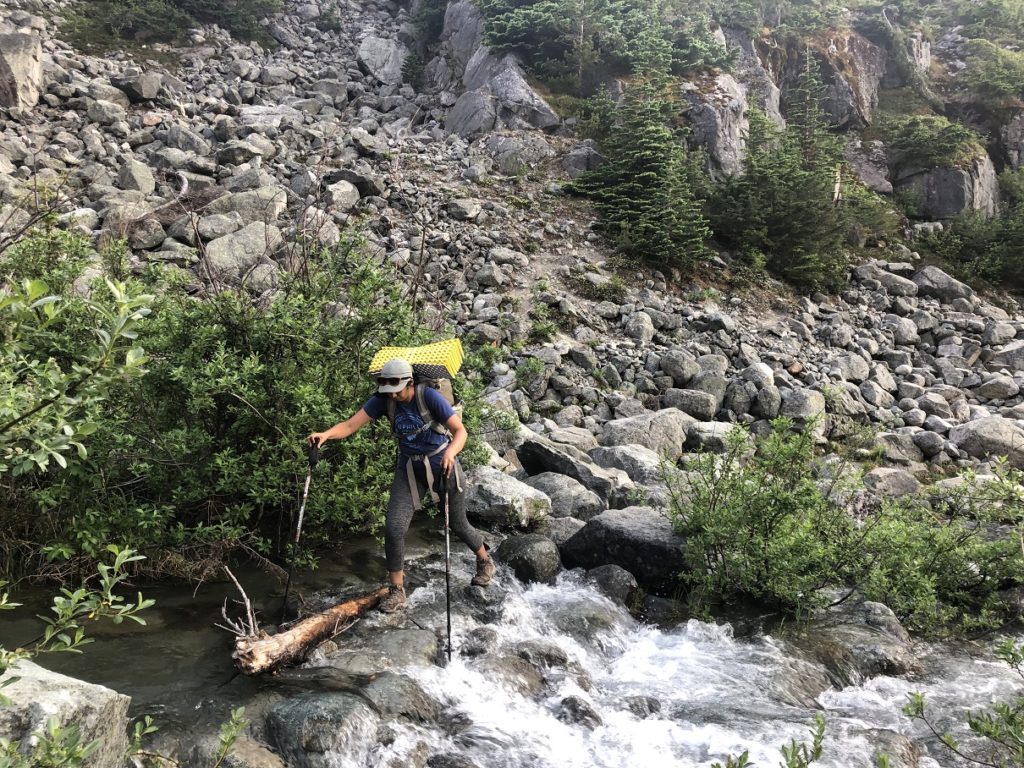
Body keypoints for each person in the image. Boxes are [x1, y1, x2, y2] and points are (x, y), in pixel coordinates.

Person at [308, 358, 496, 612]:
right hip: (409, 469)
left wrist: (451, 453)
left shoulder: (429, 397)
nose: (392, 395)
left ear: (409, 382)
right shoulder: (384, 400)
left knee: (457, 524)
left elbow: (460, 431)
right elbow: (351, 425)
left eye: (396, 389)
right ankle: (397, 590)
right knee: (394, 527)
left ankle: (485, 560)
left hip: (444, 465)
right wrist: (326, 435)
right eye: (387, 389)